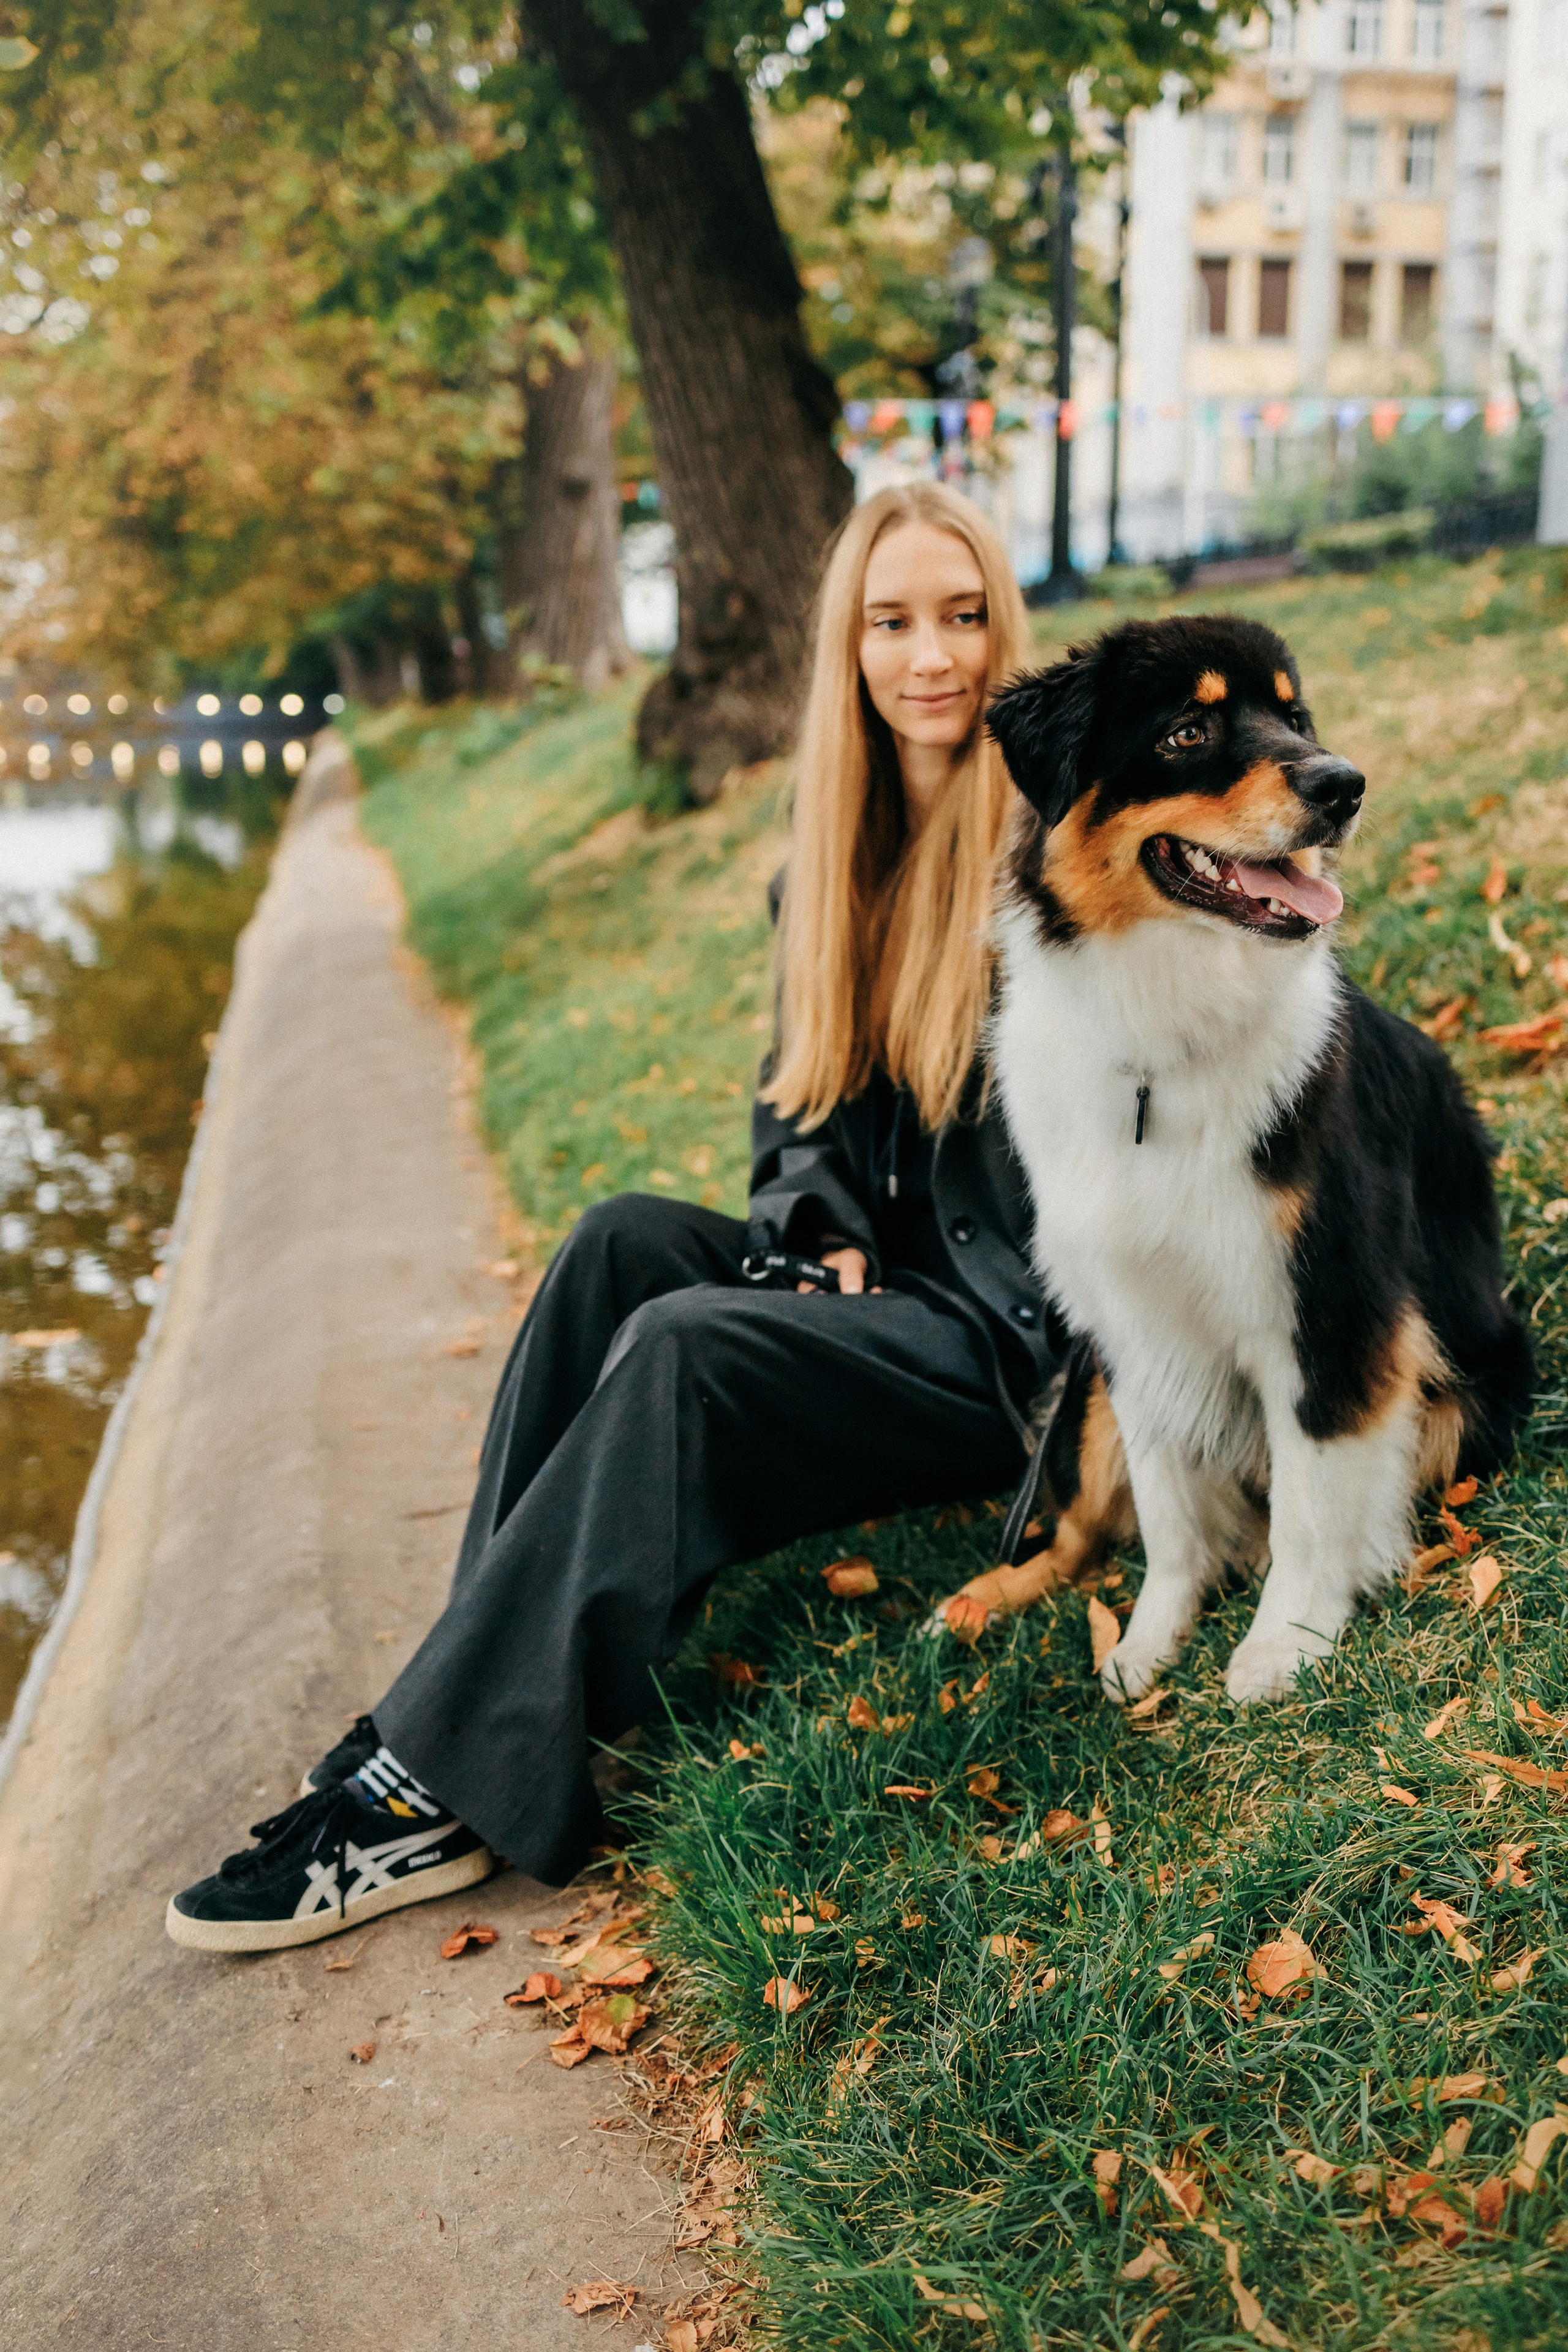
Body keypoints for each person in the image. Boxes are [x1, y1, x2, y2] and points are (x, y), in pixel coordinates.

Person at [166, 480, 1066, 1953]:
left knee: (684, 1344)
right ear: (845, 648)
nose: (934, 658)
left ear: (1000, 630)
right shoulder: (824, 868)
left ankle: (422, 1785)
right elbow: (801, 1113)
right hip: (884, 1295)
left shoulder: (1044, 857)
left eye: (963, 618)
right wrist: (817, 1231)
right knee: (617, 1244)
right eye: (893, 622)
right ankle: (459, 1725)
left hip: (999, 1347)